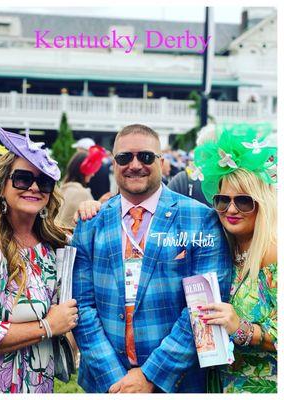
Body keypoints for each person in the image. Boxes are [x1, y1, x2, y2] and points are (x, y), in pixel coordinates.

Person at [71, 123, 232, 393]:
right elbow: (81, 306)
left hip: (175, 383)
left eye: (145, 157)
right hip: (106, 383)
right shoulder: (91, 221)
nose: (135, 165)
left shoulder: (200, 219)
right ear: (113, 163)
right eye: (125, 158)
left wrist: (150, 377)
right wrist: (115, 381)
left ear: (160, 161)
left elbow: (204, 311)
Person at [0, 128, 78, 393]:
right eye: (22, 178)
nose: (33, 187)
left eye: (44, 182)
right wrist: (48, 326)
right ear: (2, 185)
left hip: (40, 386)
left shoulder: (50, 247)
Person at [193, 123, 277, 393]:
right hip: (217, 385)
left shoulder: (274, 253)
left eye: (243, 201)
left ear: (260, 203)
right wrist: (102, 206)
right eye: (222, 200)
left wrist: (241, 329)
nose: (231, 209)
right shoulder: (220, 247)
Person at [58, 146, 106, 229]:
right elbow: (90, 224)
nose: (93, 174)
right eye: (92, 169)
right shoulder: (81, 193)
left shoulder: (63, 188)